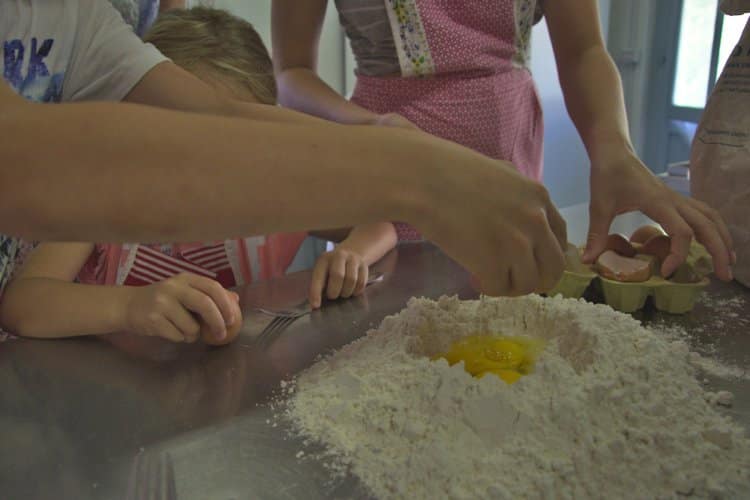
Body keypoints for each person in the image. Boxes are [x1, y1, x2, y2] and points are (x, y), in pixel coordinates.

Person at [0, 0, 570, 329]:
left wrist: (408, 157)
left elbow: (219, 123)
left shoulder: (78, 20)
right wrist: (418, 175)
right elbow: (23, 162)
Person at [0, 7, 397, 343]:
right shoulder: (105, 196)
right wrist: (129, 307)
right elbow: (23, 305)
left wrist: (350, 255)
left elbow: (378, 223)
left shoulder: (267, 199)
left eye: (230, 145)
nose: (203, 161)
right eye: (179, 138)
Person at [272, 0, 736, 281]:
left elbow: (583, 50)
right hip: (390, 173)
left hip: (508, 159)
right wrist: (370, 126)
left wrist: (615, 148)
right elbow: (291, 72)